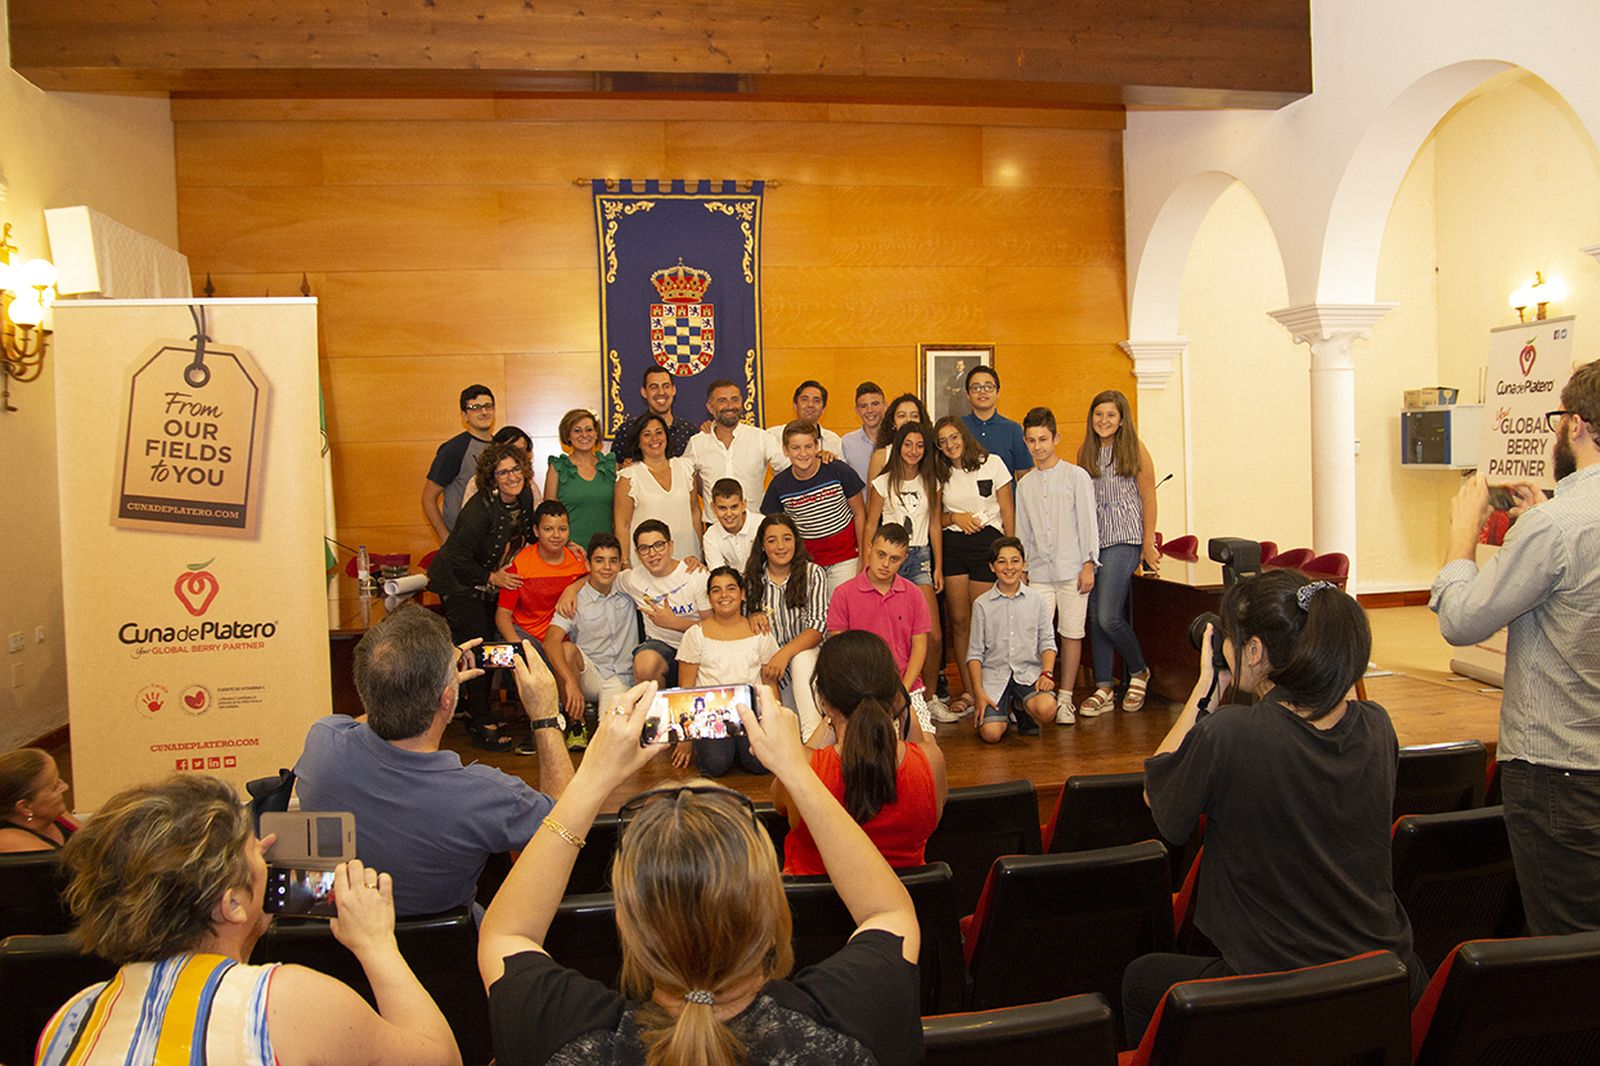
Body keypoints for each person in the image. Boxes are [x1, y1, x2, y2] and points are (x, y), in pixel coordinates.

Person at [477, 684, 925, 1066]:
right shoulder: (851, 1023)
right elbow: (887, 911)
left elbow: (505, 935)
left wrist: (591, 781)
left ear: (627, 926)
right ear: (772, 910)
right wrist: (798, 772)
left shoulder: (563, 1036)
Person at [1120, 570, 1426, 1045]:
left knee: (1142, 981)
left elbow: (1160, 800)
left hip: (1282, 989)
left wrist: (1209, 684)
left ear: (1256, 652)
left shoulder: (1231, 734)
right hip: (1383, 979)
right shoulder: (1377, 726)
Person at [39, 774, 461, 1066]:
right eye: (252, 851)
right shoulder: (286, 1002)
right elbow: (439, 1059)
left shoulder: (70, 1018)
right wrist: (375, 943)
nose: (264, 852)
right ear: (232, 904)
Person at [1431, 359, 1600, 935]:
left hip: (1563, 773)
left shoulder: (1554, 527)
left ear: (1574, 425)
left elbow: (1460, 620)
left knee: (1568, 946)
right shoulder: (1553, 524)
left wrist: (1462, 535)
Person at [295, 605, 573, 917]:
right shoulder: (487, 794)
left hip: (341, 946)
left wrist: (424, 687)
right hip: (452, 957)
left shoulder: (321, 744)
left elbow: (370, 718)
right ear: (448, 699)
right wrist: (545, 716)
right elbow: (566, 830)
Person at [774, 631, 947, 877]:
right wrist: (903, 707)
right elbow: (920, 756)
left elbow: (779, 804)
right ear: (894, 693)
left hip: (816, 911)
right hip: (905, 910)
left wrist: (829, 717)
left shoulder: (802, 767)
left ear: (824, 698)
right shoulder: (931, 761)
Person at [426, 441, 538, 750]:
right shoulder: (478, 509)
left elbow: (529, 535)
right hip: (459, 585)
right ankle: (480, 720)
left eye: (515, 468)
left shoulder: (524, 494)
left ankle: (481, 708)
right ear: (491, 477)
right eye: (502, 472)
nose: (511, 476)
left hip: (489, 584)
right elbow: (459, 557)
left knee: (491, 650)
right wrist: (492, 576)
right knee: (474, 648)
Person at [1076, 389, 1159, 717]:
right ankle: (1104, 686)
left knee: (1109, 615)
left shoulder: (1135, 449)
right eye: (1099, 414)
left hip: (1124, 539)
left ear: (1122, 418)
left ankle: (1139, 671)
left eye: (1111, 415)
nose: (1104, 421)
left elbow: (1148, 497)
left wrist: (1148, 544)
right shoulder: (1086, 451)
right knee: (1095, 617)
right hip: (1095, 541)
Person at [1015, 406, 1099, 724]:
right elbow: (1022, 530)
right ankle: (1040, 692)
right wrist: (1022, 568)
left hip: (1073, 567)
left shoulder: (1076, 476)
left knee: (1071, 631)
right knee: (1038, 632)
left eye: (1043, 439)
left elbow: (1088, 523)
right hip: (1038, 570)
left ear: (1056, 438)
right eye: (1032, 440)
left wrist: (1088, 563)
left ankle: (1065, 698)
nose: (1038, 446)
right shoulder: (1025, 485)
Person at [933, 414, 1014, 723]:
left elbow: (1007, 509)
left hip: (987, 544)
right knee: (959, 620)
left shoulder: (991, 463)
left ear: (964, 436)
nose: (950, 445)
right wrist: (955, 518)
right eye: (942, 442)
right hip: (954, 547)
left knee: (984, 619)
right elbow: (935, 518)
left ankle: (995, 689)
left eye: (954, 437)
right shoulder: (939, 473)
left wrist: (1011, 551)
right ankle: (969, 691)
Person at [865, 419, 945, 714]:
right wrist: (867, 562)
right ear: (898, 447)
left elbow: (935, 524)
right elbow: (872, 523)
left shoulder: (931, 481)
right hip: (888, 559)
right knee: (891, 634)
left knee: (932, 634)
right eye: (908, 444)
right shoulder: (883, 482)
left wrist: (938, 566)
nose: (913, 450)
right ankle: (888, 694)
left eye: (920, 445)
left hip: (920, 556)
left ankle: (930, 697)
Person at [827, 524, 934, 733]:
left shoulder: (913, 594)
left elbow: (919, 647)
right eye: (881, 554)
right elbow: (838, 651)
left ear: (904, 560)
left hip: (907, 687)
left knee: (927, 748)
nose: (885, 564)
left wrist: (902, 691)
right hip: (859, 690)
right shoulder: (843, 593)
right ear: (868, 548)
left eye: (894, 559)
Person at [674, 567, 780, 777]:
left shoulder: (760, 631)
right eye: (716, 590)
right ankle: (725, 748)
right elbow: (685, 688)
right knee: (716, 764)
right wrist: (684, 739)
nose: (724, 595)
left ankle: (741, 747)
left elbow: (770, 684)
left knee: (760, 764)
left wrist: (776, 726)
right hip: (711, 716)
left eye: (731, 588)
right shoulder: (695, 635)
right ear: (709, 597)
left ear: (742, 594)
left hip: (751, 713)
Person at [543, 532, 638, 741]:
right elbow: (550, 642)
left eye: (613, 561)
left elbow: (659, 576)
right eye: (599, 560)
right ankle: (577, 725)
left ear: (620, 564)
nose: (606, 567)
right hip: (588, 674)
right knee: (566, 649)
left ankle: (604, 719)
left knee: (612, 741)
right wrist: (569, 682)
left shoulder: (629, 587)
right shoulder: (574, 599)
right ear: (588, 564)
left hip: (621, 676)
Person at [743, 513, 828, 742]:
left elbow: (817, 628)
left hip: (806, 659)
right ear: (762, 545)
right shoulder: (752, 578)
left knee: (800, 661)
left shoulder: (813, 573)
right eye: (772, 540)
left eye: (787, 539)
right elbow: (740, 628)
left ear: (796, 541)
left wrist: (784, 654)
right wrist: (750, 616)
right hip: (770, 667)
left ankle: (813, 743)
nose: (781, 546)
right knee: (781, 733)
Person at [967, 537, 1058, 742]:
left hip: (1028, 673)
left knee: (1047, 709)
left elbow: (1048, 642)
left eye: (1015, 561)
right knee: (991, 735)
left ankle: (1020, 706)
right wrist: (979, 693)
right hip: (994, 677)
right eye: (1002, 562)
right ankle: (1004, 712)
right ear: (992, 567)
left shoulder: (1037, 600)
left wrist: (1047, 673)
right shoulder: (981, 604)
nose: (1009, 567)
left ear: (1024, 564)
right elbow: (974, 654)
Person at [761, 420, 867, 597]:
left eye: (808, 446)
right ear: (785, 450)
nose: (803, 453)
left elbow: (859, 513)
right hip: (807, 563)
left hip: (846, 559)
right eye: (795, 448)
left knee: (842, 610)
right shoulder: (779, 486)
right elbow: (773, 528)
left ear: (817, 446)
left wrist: (864, 557)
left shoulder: (838, 470)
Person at [613, 519, 712, 688]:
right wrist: (572, 590)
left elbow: (713, 627)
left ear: (670, 546)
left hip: (700, 647)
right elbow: (602, 578)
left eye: (659, 545)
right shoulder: (633, 578)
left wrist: (675, 623)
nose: (652, 554)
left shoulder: (695, 575)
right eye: (644, 549)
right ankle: (654, 713)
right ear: (637, 553)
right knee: (644, 663)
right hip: (663, 648)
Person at [685, 378, 783, 523]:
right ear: (710, 408)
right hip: (714, 528)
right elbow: (684, 479)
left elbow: (788, 468)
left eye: (735, 399)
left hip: (754, 525)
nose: (730, 406)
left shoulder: (761, 438)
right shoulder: (697, 443)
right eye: (722, 401)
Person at [495, 500, 588, 648]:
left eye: (562, 529)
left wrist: (573, 588)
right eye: (548, 529)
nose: (556, 535)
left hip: (564, 639)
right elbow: (503, 615)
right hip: (526, 636)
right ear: (536, 531)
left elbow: (594, 578)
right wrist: (520, 646)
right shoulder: (520, 563)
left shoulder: (577, 559)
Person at [616, 412, 702, 566]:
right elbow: (622, 525)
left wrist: (701, 550)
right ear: (638, 441)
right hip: (647, 563)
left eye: (659, 432)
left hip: (687, 559)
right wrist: (624, 562)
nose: (654, 439)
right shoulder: (628, 477)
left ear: (667, 437)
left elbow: (695, 511)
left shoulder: (685, 468)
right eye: (647, 434)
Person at [423, 383, 497, 543]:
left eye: (488, 406)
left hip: (493, 542)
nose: (484, 412)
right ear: (464, 415)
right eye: (475, 407)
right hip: (463, 542)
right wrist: (445, 539)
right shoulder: (454, 450)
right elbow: (429, 498)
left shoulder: (501, 447)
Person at [545, 408, 617, 553]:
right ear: (568, 436)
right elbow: (548, 516)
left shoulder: (611, 467)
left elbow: (621, 515)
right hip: (569, 551)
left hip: (606, 552)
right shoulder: (557, 468)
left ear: (596, 434)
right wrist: (567, 545)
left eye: (589, 429)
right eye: (577, 430)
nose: (584, 435)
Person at [610, 365, 696, 462]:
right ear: (644, 392)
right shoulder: (628, 430)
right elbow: (614, 469)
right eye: (654, 387)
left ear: (673, 390)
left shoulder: (690, 432)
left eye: (666, 386)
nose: (661, 392)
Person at [960, 365, 1031, 475]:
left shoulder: (1013, 430)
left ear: (998, 392)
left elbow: (1024, 476)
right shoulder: (958, 427)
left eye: (988, 387)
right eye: (976, 387)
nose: (982, 392)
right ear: (968, 395)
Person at [0, 747, 73, 852]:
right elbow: (75, 866)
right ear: (25, 807)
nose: (65, 787)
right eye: (55, 787)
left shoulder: (54, 814)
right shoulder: (10, 840)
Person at [767, 379, 845, 472]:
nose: (810, 405)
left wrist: (832, 462)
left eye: (816, 400)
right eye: (805, 399)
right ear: (795, 405)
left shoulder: (834, 440)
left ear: (823, 409)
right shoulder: (773, 436)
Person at [463, 425, 540, 508]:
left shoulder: (528, 482)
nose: (516, 456)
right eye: (511, 450)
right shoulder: (476, 482)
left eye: (521, 451)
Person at [701, 477, 764, 571]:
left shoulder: (762, 524)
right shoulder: (710, 536)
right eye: (722, 508)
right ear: (713, 508)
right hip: (733, 584)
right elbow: (719, 574)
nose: (729, 514)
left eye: (734, 507)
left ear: (743, 505)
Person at [866, 393, 932, 483]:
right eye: (901, 416)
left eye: (914, 416)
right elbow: (872, 495)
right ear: (893, 422)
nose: (908, 420)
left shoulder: (931, 453)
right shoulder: (881, 456)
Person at [842, 381, 886, 482]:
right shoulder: (846, 443)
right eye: (863, 406)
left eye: (875, 404)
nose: (869, 410)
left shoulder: (897, 440)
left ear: (885, 405)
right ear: (857, 411)